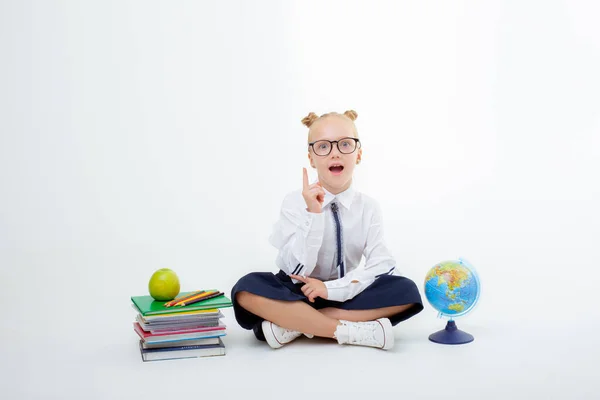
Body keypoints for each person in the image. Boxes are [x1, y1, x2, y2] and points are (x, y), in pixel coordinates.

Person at [230, 110, 423, 350]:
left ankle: (293, 325)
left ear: (359, 154)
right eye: (323, 146)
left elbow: (382, 264)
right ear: (311, 158)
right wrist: (313, 213)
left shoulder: (369, 208)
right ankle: (351, 331)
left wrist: (331, 289)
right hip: (295, 291)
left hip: (342, 291)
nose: (334, 152)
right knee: (245, 289)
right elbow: (296, 267)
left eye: (344, 144)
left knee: (406, 290)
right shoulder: (293, 202)